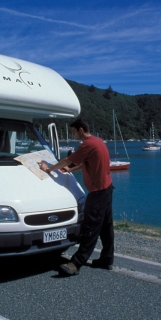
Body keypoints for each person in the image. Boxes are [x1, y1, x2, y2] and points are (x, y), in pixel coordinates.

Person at [39, 117, 114, 276]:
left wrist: (49, 168)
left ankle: (76, 263)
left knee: (91, 228)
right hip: (107, 189)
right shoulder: (98, 142)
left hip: (98, 193)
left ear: (81, 130)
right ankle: (107, 259)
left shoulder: (87, 145)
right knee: (106, 227)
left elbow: (67, 159)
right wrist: (70, 170)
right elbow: (86, 163)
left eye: (73, 132)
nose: (73, 135)